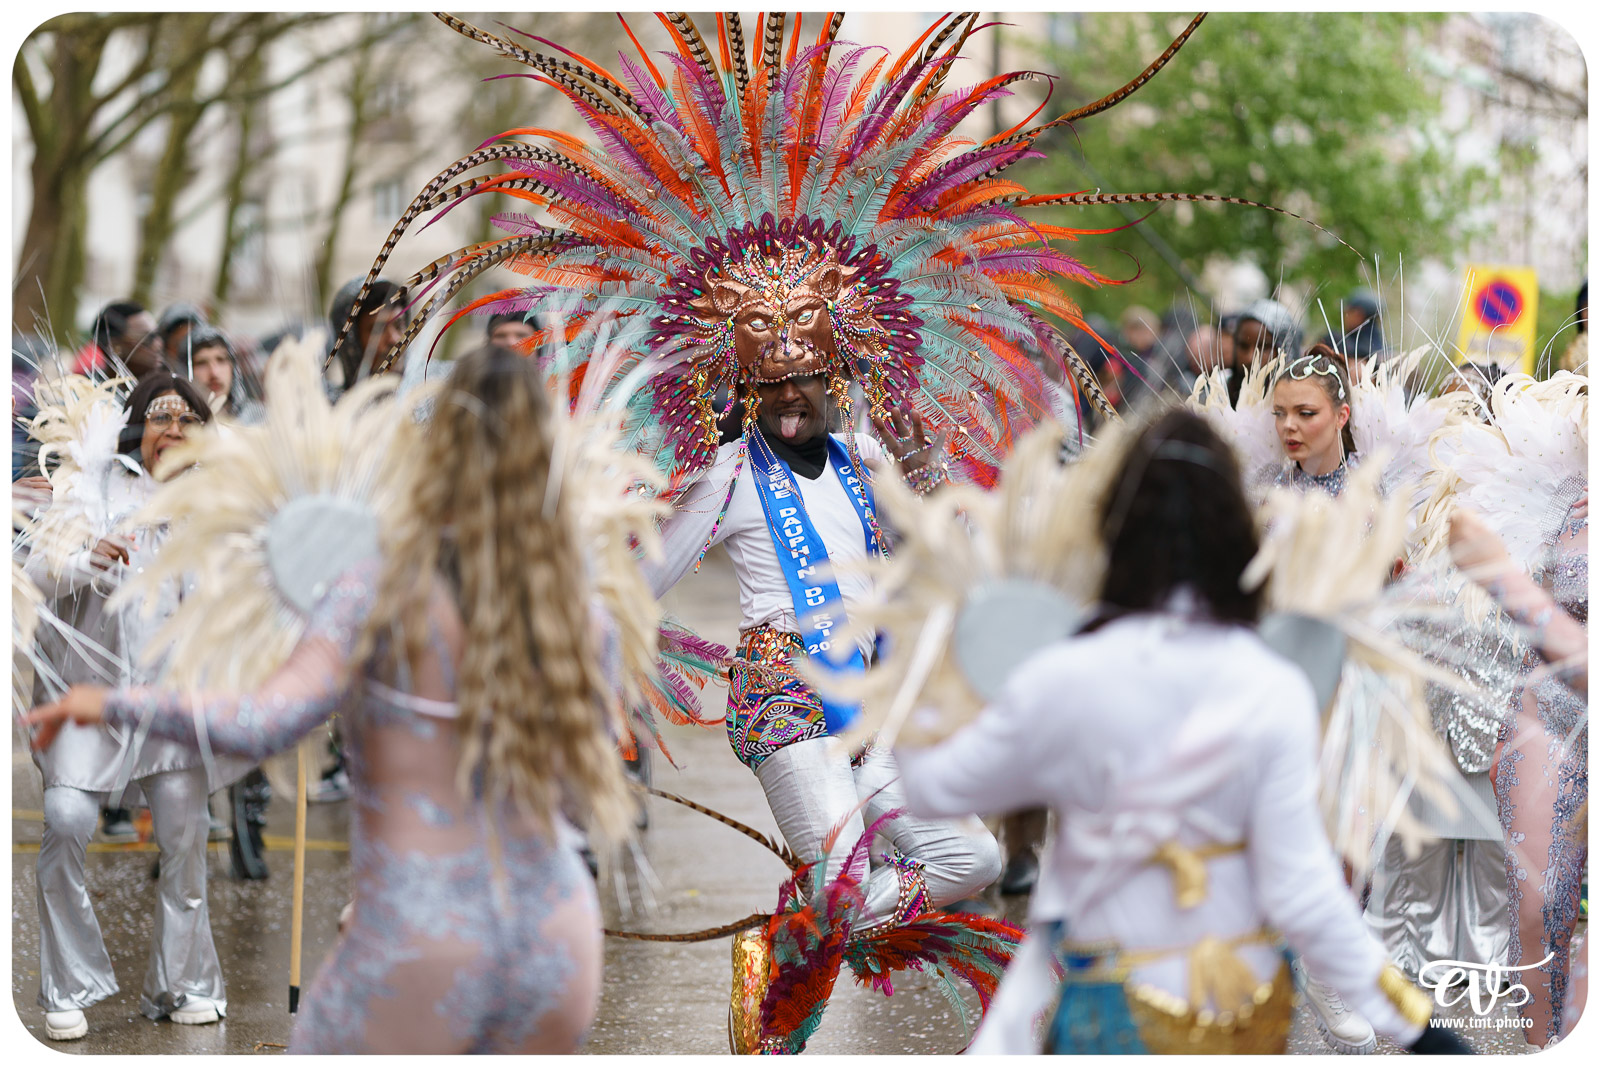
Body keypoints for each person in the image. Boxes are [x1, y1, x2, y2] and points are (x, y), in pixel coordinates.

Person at [28, 345, 635, 1053]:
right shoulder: (584, 611)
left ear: (436, 451)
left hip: (415, 934)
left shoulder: (376, 590)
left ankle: (190, 978)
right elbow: (580, 797)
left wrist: (111, 705)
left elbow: (261, 723)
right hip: (556, 942)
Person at [894, 408, 1466, 1055]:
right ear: (1236, 533)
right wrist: (1422, 1030)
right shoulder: (1270, 684)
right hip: (1243, 1016)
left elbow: (933, 789)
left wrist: (933, 661)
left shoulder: (1063, 678)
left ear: (1111, 530)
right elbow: (1307, 893)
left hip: (1110, 1017)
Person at [23, 373, 228, 1041]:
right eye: (161, 414)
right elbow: (38, 572)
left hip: (172, 700)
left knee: (183, 832)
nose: (173, 427)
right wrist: (87, 557)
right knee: (65, 816)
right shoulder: (91, 485)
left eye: (186, 418)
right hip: (91, 695)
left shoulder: (218, 501)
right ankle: (69, 983)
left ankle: (183, 981)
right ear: (138, 422)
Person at [1270, 344, 1355, 496]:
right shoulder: (1268, 491)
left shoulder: (1368, 489)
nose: (1288, 425)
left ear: (1341, 416)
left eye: (1306, 413)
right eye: (1279, 413)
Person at [326, 277, 408, 396]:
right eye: (378, 330)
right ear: (351, 342)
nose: (394, 339)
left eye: (399, 326)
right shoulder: (329, 410)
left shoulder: (435, 398)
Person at [184, 326, 264, 425]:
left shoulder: (260, 419)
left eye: (221, 360)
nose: (214, 373)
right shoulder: (179, 425)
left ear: (233, 367)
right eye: (201, 363)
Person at [1231, 298, 1301, 407]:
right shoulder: (1218, 391)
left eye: (1264, 347)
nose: (1250, 358)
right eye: (1243, 346)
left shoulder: (1301, 400)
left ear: (1285, 349)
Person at [74, 301, 166, 381]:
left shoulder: (166, 391)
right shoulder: (83, 393)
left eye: (159, 335)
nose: (159, 344)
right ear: (114, 347)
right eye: (148, 337)